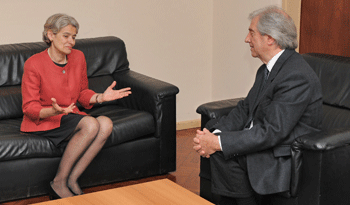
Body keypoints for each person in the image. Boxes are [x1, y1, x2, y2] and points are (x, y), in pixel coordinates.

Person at [193, 6, 323, 205]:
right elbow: (246, 108)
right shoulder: (267, 69)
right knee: (220, 151)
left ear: (270, 38)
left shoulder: (296, 76)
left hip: (283, 153)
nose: (247, 39)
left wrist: (218, 143)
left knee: (223, 152)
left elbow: (272, 131)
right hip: (266, 141)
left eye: (251, 32)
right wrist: (213, 133)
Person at [21, 13, 132, 199]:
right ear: (50, 35)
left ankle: (72, 179)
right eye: (66, 36)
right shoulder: (34, 64)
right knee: (90, 124)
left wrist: (100, 97)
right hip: (45, 120)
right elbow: (29, 108)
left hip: (70, 116)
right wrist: (53, 110)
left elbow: (82, 93)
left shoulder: (78, 57)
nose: (71, 41)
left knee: (105, 123)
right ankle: (58, 182)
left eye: (74, 37)